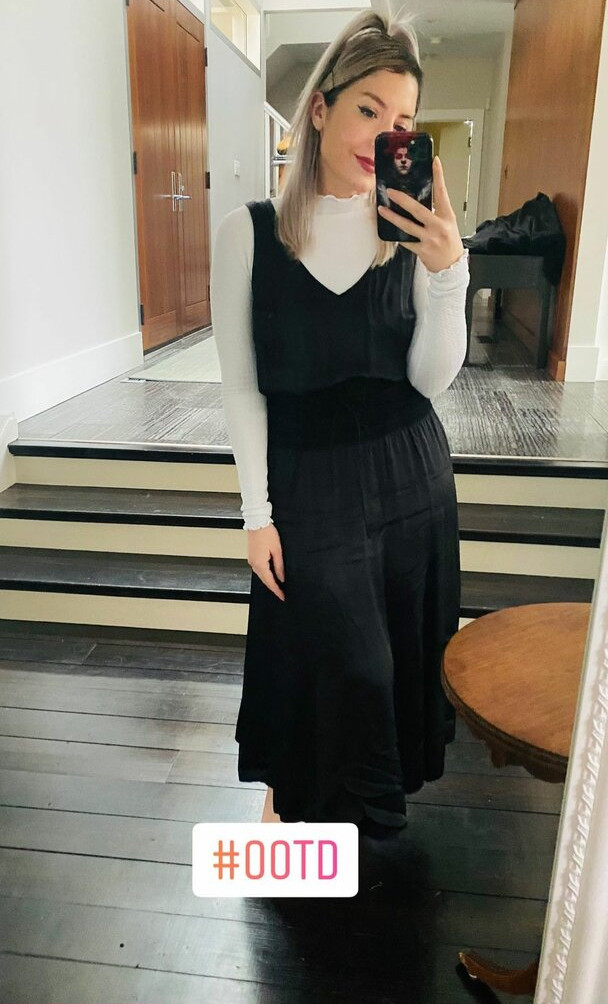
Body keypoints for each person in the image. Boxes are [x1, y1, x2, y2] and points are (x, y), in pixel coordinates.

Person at [210, 8, 470, 851]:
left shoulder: (407, 232)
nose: (385, 136)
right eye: (368, 109)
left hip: (411, 479)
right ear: (319, 108)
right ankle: (300, 812)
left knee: (391, 671)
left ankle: (356, 843)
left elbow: (430, 379)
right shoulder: (248, 235)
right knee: (346, 666)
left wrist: (449, 274)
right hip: (309, 479)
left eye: (403, 121)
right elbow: (242, 388)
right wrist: (255, 516)